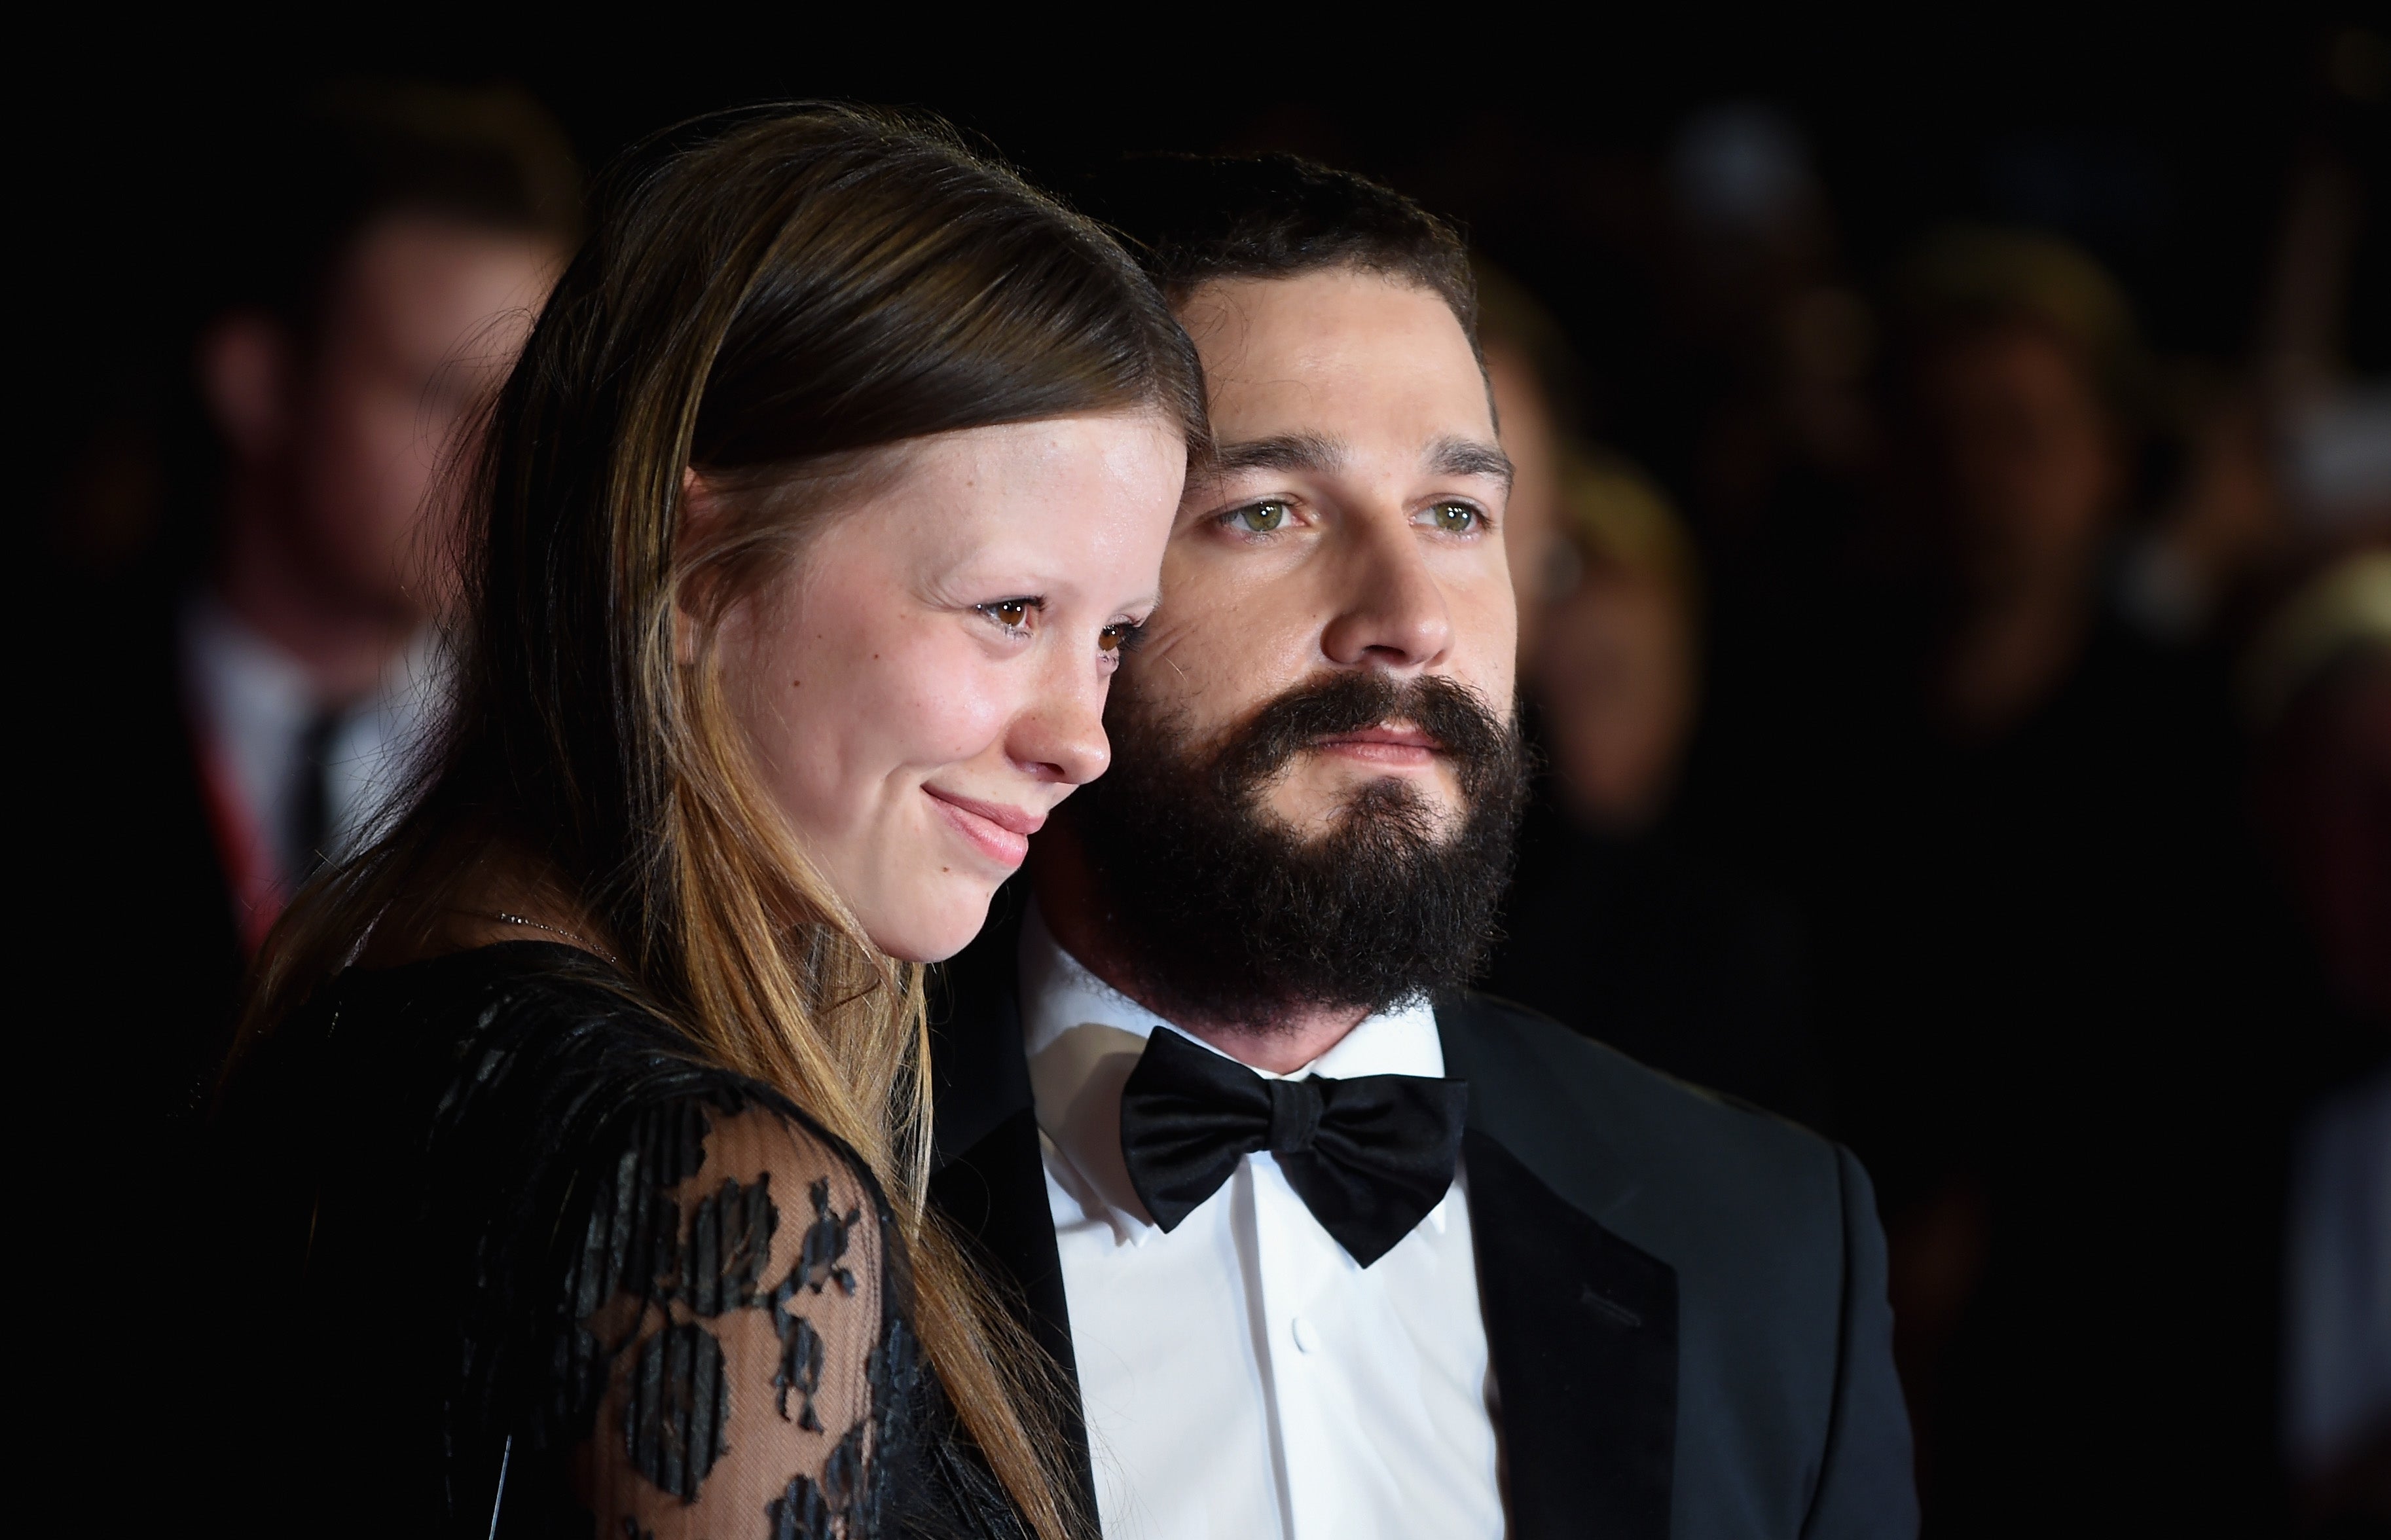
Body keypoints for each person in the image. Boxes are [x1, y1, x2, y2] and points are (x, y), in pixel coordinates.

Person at [200, 105, 1201, 1539]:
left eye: (1111, 637)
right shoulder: (726, 1203)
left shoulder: (348, 1014)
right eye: (1005, 612)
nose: (1079, 739)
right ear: (693, 567)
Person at [930, 155, 1914, 1539]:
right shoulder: (797, 1192)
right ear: (1064, 595)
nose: (1407, 615)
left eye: (1456, 514)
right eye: (1266, 510)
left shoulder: (1764, 1245)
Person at [54, 84, 581, 1139]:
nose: (501, 458)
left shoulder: (573, 752)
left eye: (523, 402)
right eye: (439, 394)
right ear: (260, 385)